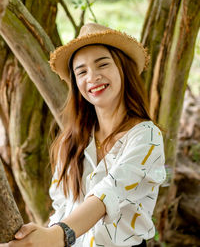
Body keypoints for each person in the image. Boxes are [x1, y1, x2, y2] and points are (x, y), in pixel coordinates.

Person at [0, 23, 166, 247]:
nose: (93, 77)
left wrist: (55, 236)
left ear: (122, 69)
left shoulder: (146, 136)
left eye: (102, 64)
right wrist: (41, 237)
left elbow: (107, 195)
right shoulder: (71, 141)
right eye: (82, 71)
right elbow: (62, 207)